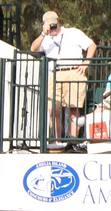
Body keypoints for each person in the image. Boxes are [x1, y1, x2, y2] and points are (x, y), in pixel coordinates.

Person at [30, 10, 97, 144]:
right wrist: (44, 33)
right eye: (49, 26)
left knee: (73, 108)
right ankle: (57, 140)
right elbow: (33, 49)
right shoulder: (46, 38)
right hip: (55, 73)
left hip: (74, 71)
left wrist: (86, 62)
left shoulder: (73, 32)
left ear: (58, 22)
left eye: (54, 25)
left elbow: (91, 45)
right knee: (53, 109)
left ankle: (72, 140)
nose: (53, 28)